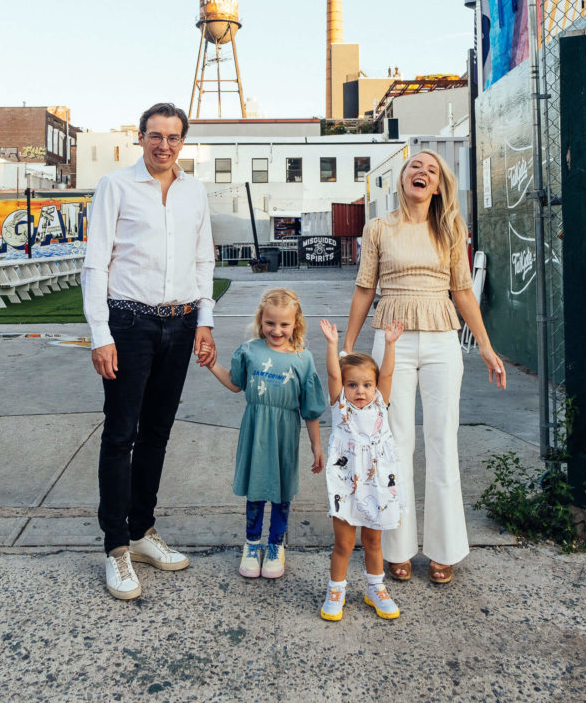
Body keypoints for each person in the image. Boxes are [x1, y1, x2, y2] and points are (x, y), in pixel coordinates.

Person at [342, 150, 505, 586]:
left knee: (441, 440)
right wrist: (348, 348)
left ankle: (444, 549)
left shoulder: (451, 228)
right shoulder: (378, 227)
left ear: (438, 186)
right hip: (391, 340)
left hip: (440, 339)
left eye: (432, 170)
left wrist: (486, 347)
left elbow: (464, 291)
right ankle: (395, 547)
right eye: (416, 166)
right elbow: (364, 289)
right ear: (402, 178)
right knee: (394, 443)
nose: (423, 172)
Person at [81, 102, 216, 600]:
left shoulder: (194, 191)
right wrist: (101, 333)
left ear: (184, 141)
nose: (164, 145)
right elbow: (96, 264)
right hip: (129, 323)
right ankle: (116, 547)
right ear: (139, 138)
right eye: (155, 136)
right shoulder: (116, 187)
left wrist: (204, 323)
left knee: (157, 434)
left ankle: (142, 531)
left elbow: (204, 259)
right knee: (121, 434)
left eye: (173, 137)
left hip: (180, 325)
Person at [200, 287, 325, 579]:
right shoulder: (250, 351)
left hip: (284, 433)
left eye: (284, 324)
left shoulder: (302, 359)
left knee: (281, 491)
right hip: (256, 431)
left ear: (296, 323)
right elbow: (235, 384)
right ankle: (252, 543)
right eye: (270, 323)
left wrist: (316, 445)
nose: (277, 330)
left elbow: (310, 409)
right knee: (256, 489)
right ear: (261, 320)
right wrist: (211, 365)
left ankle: (275, 545)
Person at [319, 318, 406, 622]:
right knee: (343, 542)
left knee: (373, 541)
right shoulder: (340, 405)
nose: (360, 391)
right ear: (344, 387)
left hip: (377, 484)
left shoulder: (380, 404)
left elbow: (389, 372)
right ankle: (335, 590)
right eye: (353, 384)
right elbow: (332, 372)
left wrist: (391, 344)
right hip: (346, 483)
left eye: (367, 384)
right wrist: (333, 345)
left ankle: (375, 588)